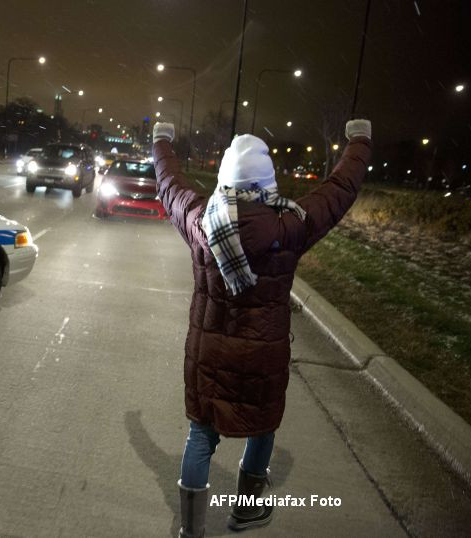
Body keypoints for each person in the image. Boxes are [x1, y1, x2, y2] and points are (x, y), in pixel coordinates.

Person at [151, 119, 372, 537]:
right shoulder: (290, 226)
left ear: (224, 178)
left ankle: (191, 530)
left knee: (201, 434)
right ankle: (248, 509)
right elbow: (340, 189)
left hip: (209, 355)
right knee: (263, 425)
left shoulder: (201, 220)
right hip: (264, 356)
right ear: (267, 183)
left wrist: (161, 141)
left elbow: (170, 184)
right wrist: (360, 141)